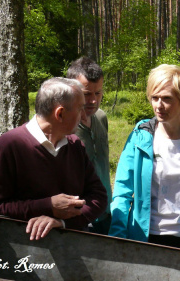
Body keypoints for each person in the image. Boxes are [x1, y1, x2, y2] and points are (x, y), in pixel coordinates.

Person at [109, 64, 180, 256]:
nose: (158, 105)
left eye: (166, 99)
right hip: (143, 239)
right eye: (154, 98)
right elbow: (122, 192)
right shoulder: (139, 138)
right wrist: (117, 237)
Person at [0, 77, 108, 241]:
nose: (84, 115)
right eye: (79, 109)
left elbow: (98, 197)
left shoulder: (75, 145)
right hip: (22, 257)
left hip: (73, 252)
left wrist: (61, 222)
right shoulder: (6, 148)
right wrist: (48, 206)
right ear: (60, 113)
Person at [66, 57, 111, 235]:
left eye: (98, 93)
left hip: (106, 211)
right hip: (79, 215)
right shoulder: (64, 126)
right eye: (86, 94)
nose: (93, 100)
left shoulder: (101, 117)